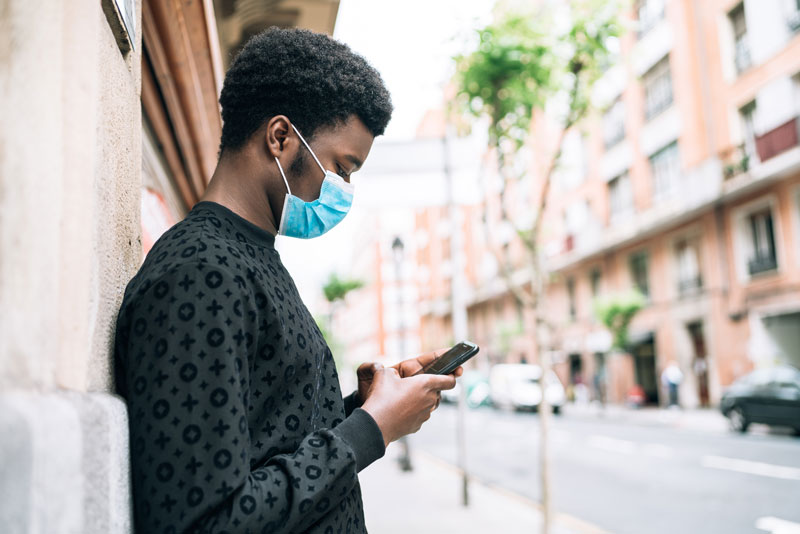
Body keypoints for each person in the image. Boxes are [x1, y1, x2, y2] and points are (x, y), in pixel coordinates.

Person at [113, 28, 461, 534]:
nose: (345, 190)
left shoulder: (252, 256)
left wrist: (359, 408)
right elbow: (202, 521)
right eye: (341, 168)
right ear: (280, 137)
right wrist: (372, 430)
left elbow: (266, 438)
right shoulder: (200, 274)